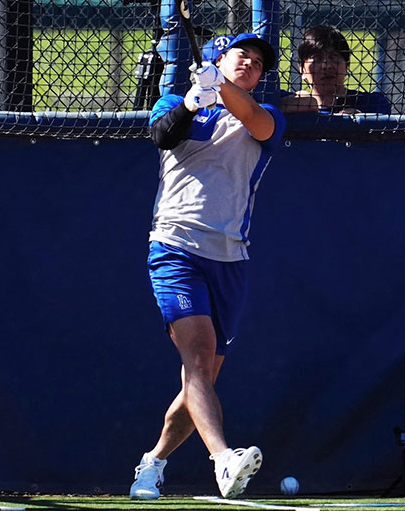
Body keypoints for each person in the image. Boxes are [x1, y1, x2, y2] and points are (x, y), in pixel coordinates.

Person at [130, 33, 285, 501]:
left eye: (258, 65)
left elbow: (256, 122)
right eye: (243, 57)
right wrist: (194, 100)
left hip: (230, 258)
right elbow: (162, 135)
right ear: (220, 58)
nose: (251, 66)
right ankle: (223, 458)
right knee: (197, 358)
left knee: (202, 379)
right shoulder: (175, 103)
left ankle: (152, 464)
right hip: (175, 248)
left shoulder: (268, 116)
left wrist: (222, 88)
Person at [279, 24, 391, 115]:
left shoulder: (372, 103)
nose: (326, 66)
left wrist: (360, 122)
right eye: (317, 58)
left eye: (333, 57)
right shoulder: (285, 101)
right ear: (302, 70)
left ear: (347, 66)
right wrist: (300, 103)